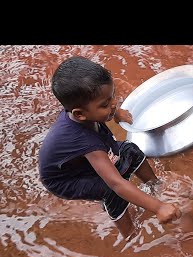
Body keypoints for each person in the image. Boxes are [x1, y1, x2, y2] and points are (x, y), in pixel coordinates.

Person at [38, 56, 181, 239]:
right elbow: (116, 183)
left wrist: (115, 112)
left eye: (112, 96)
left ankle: (155, 186)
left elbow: (102, 106)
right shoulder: (88, 143)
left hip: (78, 160)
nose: (113, 103)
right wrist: (158, 208)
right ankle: (130, 235)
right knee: (111, 189)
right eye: (105, 104)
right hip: (66, 178)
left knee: (131, 150)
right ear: (80, 114)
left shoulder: (83, 110)